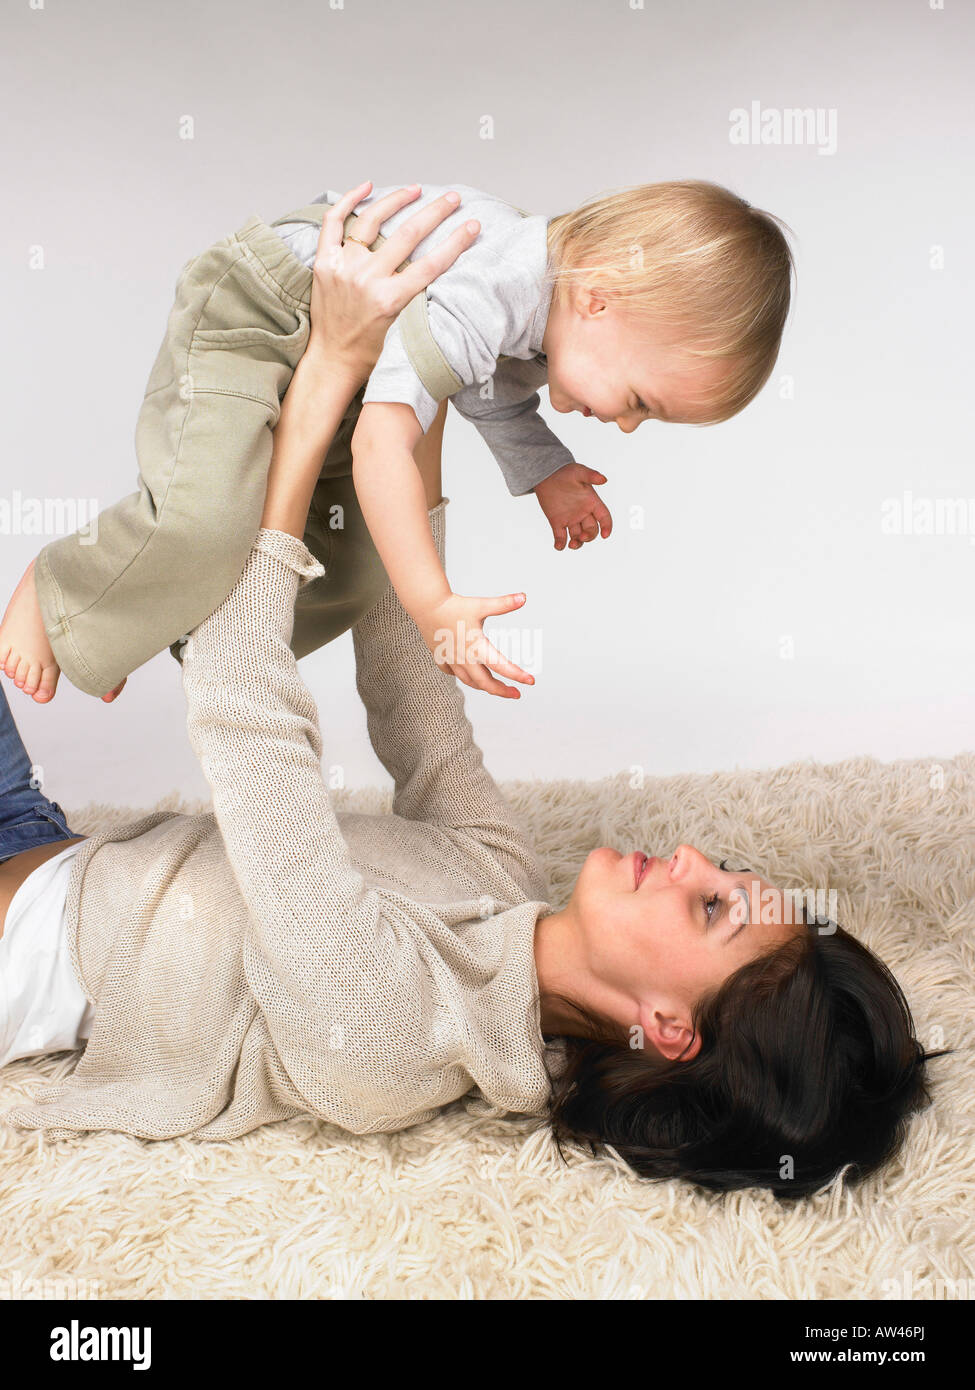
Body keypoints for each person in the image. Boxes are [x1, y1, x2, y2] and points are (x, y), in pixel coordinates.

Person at [0, 193, 945, 1202]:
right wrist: (424, 369)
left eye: (712, 904)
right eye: (725, 871)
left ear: (670, 1029)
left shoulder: (388, 1035)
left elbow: (245, 709)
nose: (691, 858)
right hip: (41, 839)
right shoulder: (501, 875)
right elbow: (412, 680)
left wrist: (328, 370)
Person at [0, 177, 794, 704]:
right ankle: (63, 585)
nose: (623, 425)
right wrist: (435, 605)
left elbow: (493, 395)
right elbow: (384, 445)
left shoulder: (541, 307)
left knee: (348, 569)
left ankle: (131, 616)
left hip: (343, 353)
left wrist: (546, 473)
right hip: (261, 310)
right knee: (207, 518)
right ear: (599, 301)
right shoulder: (494, 288)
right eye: (640, 402)